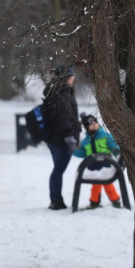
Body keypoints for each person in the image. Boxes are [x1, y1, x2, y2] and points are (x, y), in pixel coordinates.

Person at [42, 65, 80, 210]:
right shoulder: (62, 93)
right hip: (62, 140)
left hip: (54, 138)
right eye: (71, 76)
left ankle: (56, 200)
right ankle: (56, 201)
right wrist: (69, 137)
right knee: (58, 170)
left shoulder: (54, 91)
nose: (74, 78)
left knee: (58, 170)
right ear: (66, 78)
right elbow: (64, 118)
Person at [73, 113, 122, 208]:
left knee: (107, 184)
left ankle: (114, 200)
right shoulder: (85, 141)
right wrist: (72, 150)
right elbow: (82, 153)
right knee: (96, 184)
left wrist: (118, 152)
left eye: (95, 122)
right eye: (91, 124)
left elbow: (113, 147)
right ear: (87, 128)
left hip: (106, 164)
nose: (94, 124)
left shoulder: (105, 136)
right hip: (92, 165)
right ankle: (95, 202)